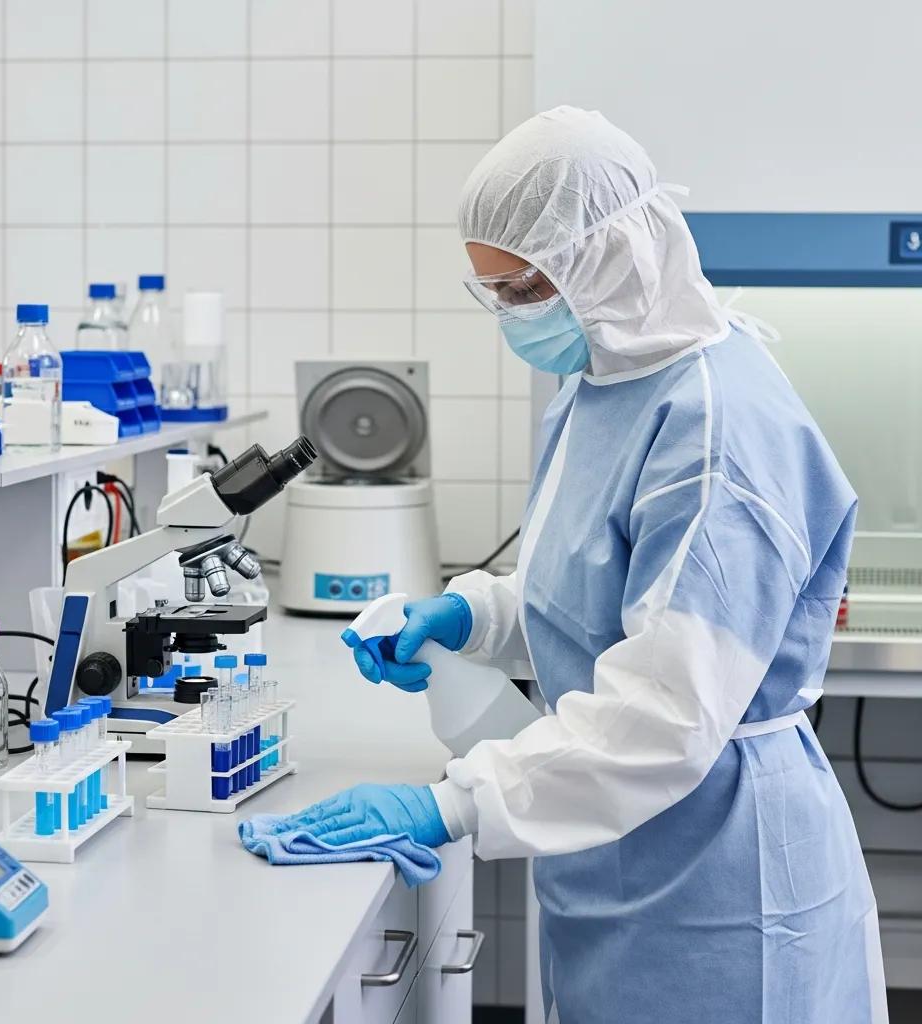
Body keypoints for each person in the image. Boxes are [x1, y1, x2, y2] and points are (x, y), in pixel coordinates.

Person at [273, 107, 887, 1023]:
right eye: (494, 294)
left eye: (522, 289)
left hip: (722, 873)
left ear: (611, 257)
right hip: (618, 856)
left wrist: (454, 804)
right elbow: (595, 590)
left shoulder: (719, 425)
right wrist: (470, 615)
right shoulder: (599, 385)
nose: (511, 317)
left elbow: (668, 710)